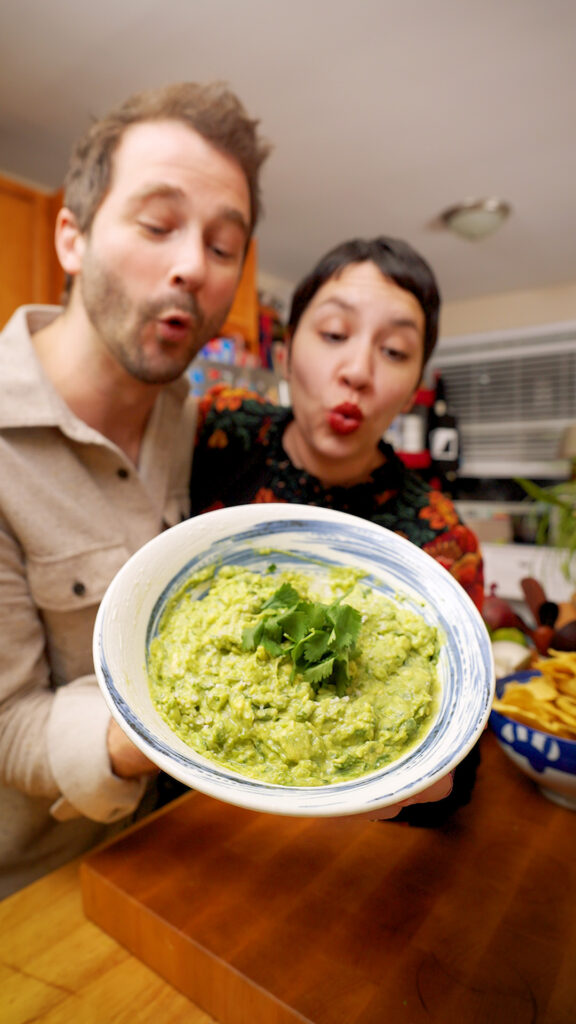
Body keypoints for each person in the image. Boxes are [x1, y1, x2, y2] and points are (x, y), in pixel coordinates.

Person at [0, 81, 270, 898]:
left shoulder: (208, 428)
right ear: (72, 237)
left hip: (192, 852)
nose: (193, 266)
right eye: (158, 226)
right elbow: (9, 726)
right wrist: (164, 724)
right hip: (43, 898)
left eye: (225, 248)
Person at [190, 236, 484, 823]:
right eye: (332, 335)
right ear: (283, 351)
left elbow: (458, 771)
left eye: (395, 351)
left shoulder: (441, 539)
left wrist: (407, 793)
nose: (357, 371)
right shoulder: (220, 431)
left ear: (414, 388)